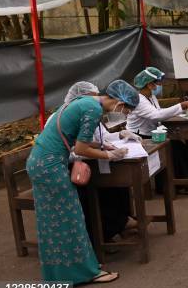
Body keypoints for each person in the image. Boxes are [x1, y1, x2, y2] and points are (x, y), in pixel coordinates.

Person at [26, 80, 139, 285]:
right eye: (127, 109)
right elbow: (80, 150)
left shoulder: (84, 101)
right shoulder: (92, 109)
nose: (126, 113)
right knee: (72, 219)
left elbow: (75, 139)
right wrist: (109, 155)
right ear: (119, 101)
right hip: (51, 166)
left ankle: (61, 274)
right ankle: (85, 273)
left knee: (53, 222)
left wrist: (101, 144)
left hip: (41, 163)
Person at [48, 82, 141, 243]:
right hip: (69, 166)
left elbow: (98, 138)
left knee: (119, 186)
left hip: (87, 161)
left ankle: (118, 225)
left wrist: (120, 135)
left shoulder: (91, 109)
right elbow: (75, 148)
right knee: (96, 192)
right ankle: (103, 234)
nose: (97, 99)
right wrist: (107, 154)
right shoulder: (79, 111)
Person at [126, 67, 188, 195]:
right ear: (149, 84)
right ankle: (170, 186)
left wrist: (181, 108)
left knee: (180, 146)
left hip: (150, 132)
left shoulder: (151, 96)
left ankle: (183, 180)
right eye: (157, 82)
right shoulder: (139, 100)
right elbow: (156, 115)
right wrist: (182, 105)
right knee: (172, 150)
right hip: (139, 136)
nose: (160, 85)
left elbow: (158, 113)